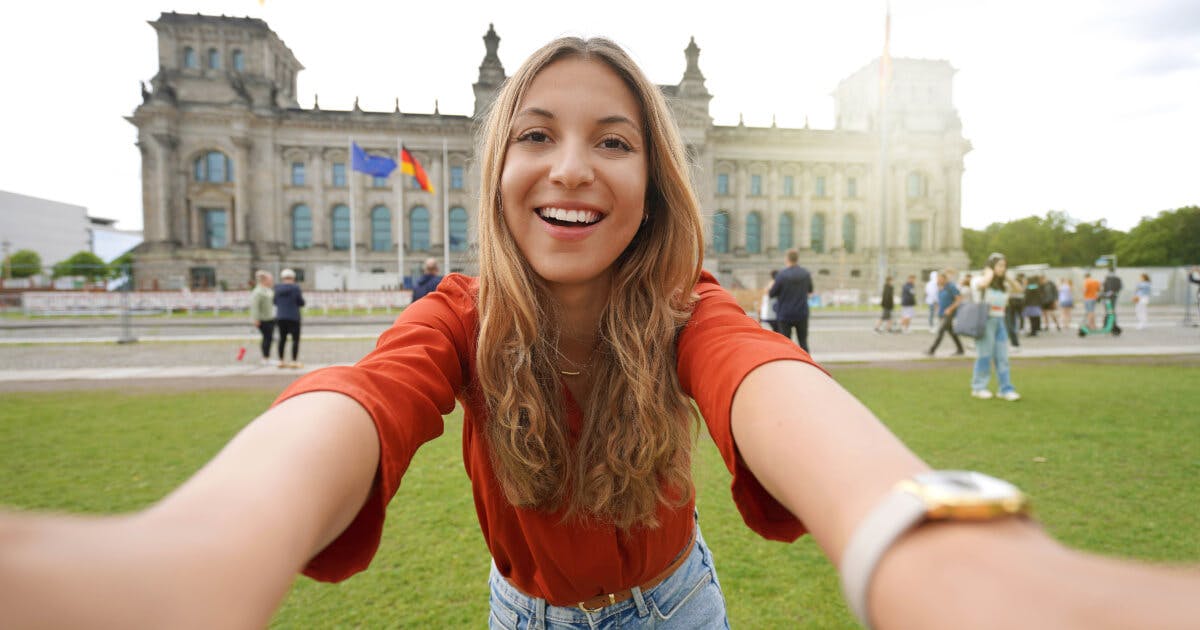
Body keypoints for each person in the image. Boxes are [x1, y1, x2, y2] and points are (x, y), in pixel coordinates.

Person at [3, 36, 1199, 630]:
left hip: (674, 607)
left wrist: (934, 543)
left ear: (660, 175)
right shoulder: (457, 314)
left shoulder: (689, 306)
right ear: (493, 165)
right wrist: (193, 552)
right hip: (519, 612)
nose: (572, 167)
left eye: (616, 139)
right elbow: (360, 402)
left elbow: (770, 385)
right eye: (533, 133)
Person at [971, 253, 1020, 401]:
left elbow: (1018, 289)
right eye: (999, 265)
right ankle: (979, 387)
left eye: (1004, 266)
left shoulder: (1003, 285)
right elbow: (983, 285)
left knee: (1002, 357)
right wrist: (989, 273)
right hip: (986, 320)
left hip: (1000, 320)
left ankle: (1005, 388)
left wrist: (1008, 277)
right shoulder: (979, 279)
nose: (1002, 268)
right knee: (984, 355)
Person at [769, 248, 813, 352]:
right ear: (797, 259)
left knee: (786, 345)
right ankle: (807, 366)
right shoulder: (806, 274)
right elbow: (810, 290)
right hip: (801, 312)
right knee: (803, 343)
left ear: (787, 259)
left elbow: (772, 294)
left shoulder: (782, 275)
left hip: (785, 314)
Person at [925, 269, 964, 357]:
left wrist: (950, 309)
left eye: (939, 278)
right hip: (942, 313)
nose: (938, 280)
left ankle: (932, 350)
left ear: (944, 278)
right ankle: (960, 349)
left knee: (941, 331)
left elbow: (959, 299)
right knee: (952, 332)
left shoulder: (951, 287)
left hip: (949, 313)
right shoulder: (941, 288)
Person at [274, 268, 305, 369]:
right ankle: (293, 361)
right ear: (293, 278)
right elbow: (301, 302)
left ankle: (281, 360)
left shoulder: (277, 288)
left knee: (282, 339)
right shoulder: (295, 288)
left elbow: (274, 301)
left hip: (281, 316)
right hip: (293, 316)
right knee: (295, 339)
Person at [250, 270, 276, 366]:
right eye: (270, 279)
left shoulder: (268, 290)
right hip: (263, 319)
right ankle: (265, 358)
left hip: (270, 318)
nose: (271, 281)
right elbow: (255, 306)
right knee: (266, 338)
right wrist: (256, 319)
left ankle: (267, 357)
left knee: (269, 338)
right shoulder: (258, 292)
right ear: (264, 280)